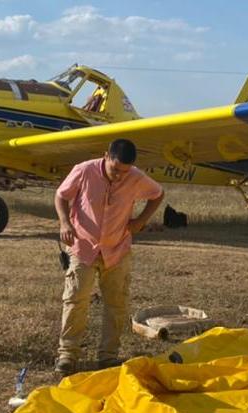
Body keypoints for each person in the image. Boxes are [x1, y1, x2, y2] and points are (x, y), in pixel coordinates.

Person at [54, 138, 165, 375]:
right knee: (75, 301)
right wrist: (64, 223)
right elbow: (61, 196)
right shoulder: (84, 171)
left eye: (124, 172)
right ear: (106, 156)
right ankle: (67, 355)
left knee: (116, 305)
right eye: (115, 170)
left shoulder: (135, 177)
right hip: (82, 247)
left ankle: (108, 356)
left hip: (117, 251)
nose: (119, 176)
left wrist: (140, 221)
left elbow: (157, 194)